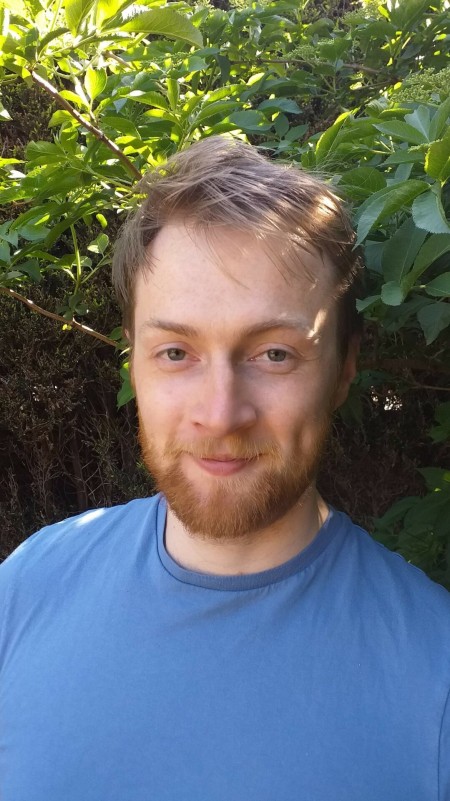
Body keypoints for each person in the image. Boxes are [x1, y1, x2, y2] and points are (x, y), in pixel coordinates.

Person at [0, 136, 449, 801]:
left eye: (273, 354)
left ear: (344, 368)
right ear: (134, 363)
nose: (221, 413)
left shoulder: (435, 671)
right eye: (177, 351)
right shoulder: (26, 587)